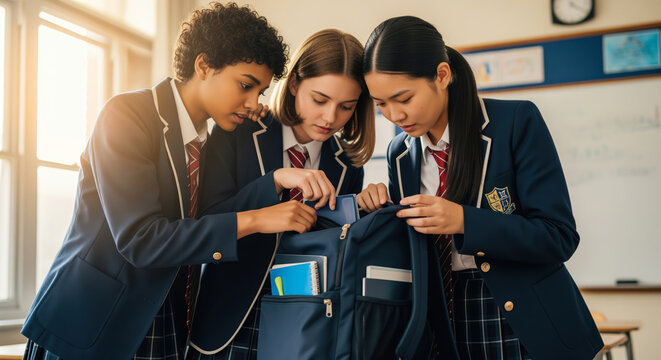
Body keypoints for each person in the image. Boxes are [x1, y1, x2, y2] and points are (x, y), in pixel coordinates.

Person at [21, 3, 335, 359]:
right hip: (91, 324)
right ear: (203, 66)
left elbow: (207, 219)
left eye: (259, 93)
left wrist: (272, 181)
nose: (252, 102)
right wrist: (260, 218)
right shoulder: (127, 115)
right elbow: (141, 239)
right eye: (245, 86)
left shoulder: (209, 139)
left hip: (166, 325)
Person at [356, 16, 603, 360]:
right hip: (448, 317)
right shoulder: (399, 153)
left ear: (441, 75)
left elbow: (558, 236)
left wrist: (465, 222)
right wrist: (378, 210)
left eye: (404, 98)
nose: (394, 115)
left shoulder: (515, 122)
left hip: (525, 320)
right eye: (380, 104)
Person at [186, 28, 375, 359]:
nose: (331, 118)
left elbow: (335, 249)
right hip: (231, 320)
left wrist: (358, 213)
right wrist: (273, 183)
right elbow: (206, 220)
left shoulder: (348, 165)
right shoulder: (238, 130)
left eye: (346, 107)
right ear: (293, 84)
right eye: (320, 100)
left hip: (306, 321)